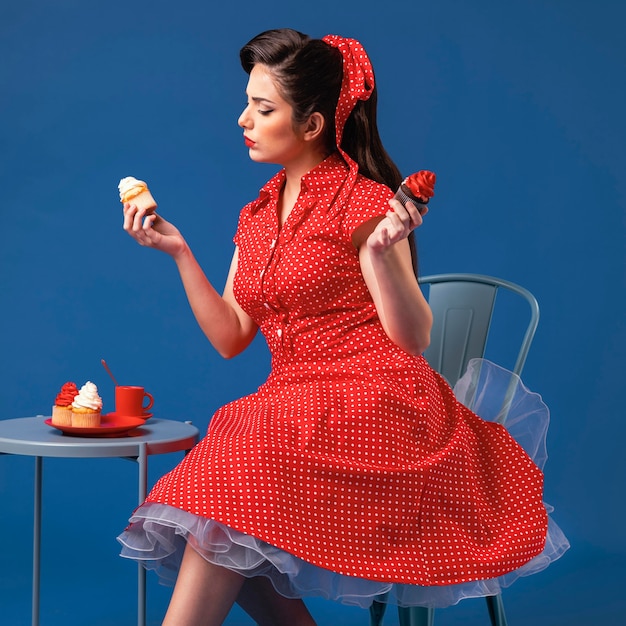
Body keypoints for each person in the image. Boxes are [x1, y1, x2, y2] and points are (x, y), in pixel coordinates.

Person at [118, 28, 567, 626]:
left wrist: (383, 254)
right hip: (294, 403)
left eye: (263, 107)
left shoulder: (366, 204)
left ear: (312, 124)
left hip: (382, 399)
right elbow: (231, 337)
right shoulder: (256, 215)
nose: (242, 119)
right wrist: (179, 253)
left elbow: (414, 339)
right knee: (226, 487)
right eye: (248, 102)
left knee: (236, 451)